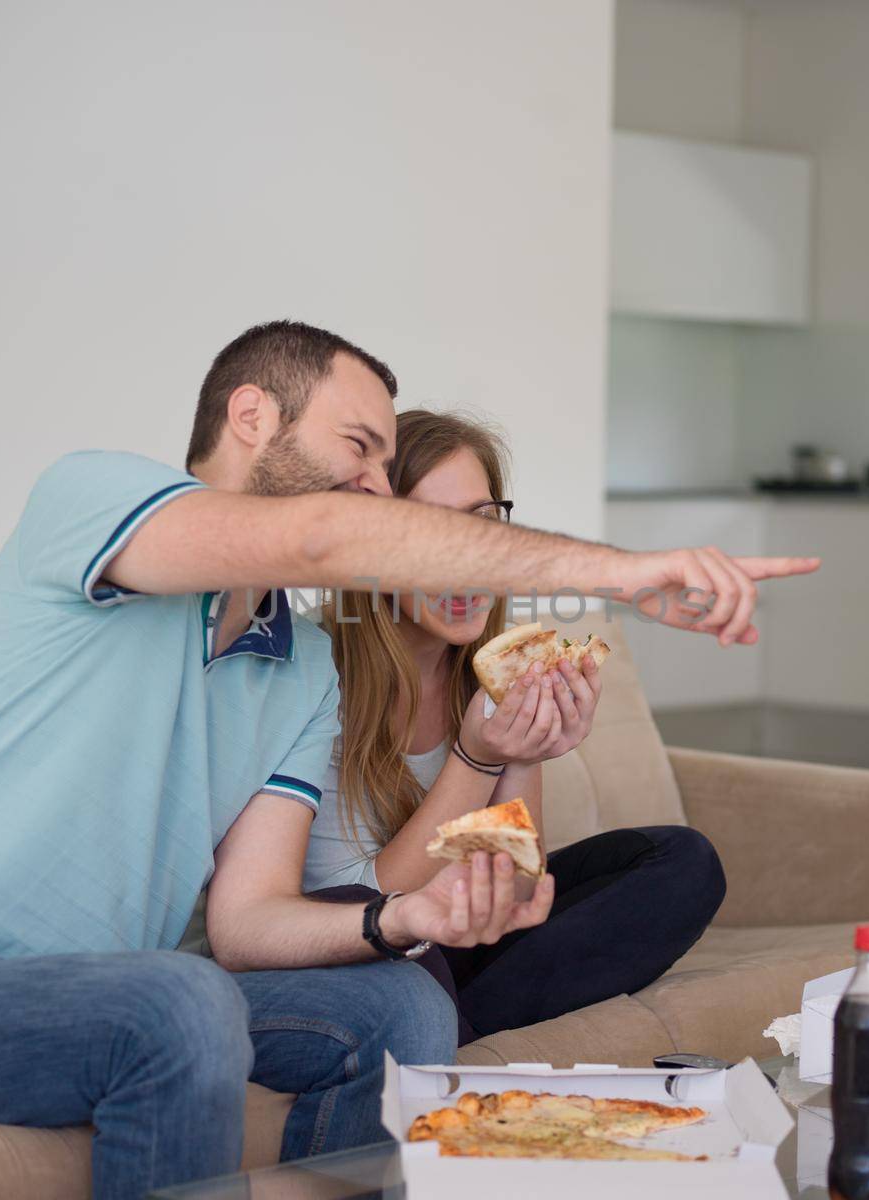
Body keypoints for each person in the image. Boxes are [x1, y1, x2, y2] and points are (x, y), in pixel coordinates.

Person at [0, 319, 818, 1200]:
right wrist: (624, 573)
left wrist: (404, 920)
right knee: (172, 999)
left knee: (404, 1002)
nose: (377, 491)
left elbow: (243, 922)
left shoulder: (295, 668)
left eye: (383, 474)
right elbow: (326, 539)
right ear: (251, 419)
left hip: (114, 988)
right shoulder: (90, 499)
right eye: (360, 452)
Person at [306, 410, 727, 1044]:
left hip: (463, 935)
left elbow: (516, 891)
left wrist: (527, 756)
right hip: (363, 943)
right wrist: (475, 762)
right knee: (418, 964)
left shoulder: (493, 666)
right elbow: (360, 909)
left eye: (481, 526)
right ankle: (452, 1025)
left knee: (684, 860)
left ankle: (462, 1024)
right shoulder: (316, 676)